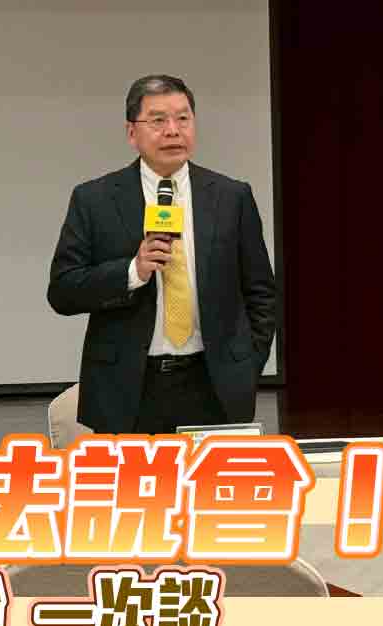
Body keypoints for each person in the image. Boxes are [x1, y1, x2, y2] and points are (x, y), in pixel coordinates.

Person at [48, 74, 277, 434]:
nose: (173, 130)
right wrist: (132, 271)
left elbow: (261, 291)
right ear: (131, 132)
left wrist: (246, 364)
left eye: (183, 118)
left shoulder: (231, 197)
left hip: (214, 386)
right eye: (158, 120)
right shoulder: (94, 200)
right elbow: (62, 290)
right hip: (128, 388)